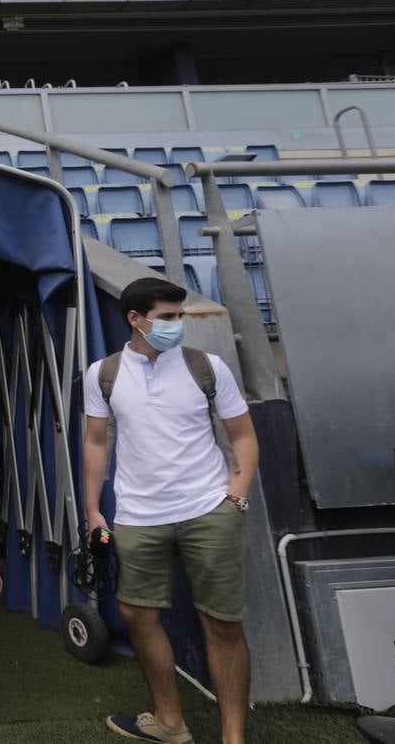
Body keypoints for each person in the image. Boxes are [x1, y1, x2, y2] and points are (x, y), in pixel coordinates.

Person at [83, 277, 258, 744]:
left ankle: (233, 738)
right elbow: (96, 440)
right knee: (137, 617)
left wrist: (235, 498)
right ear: (135, 320)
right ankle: (169, 723)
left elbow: (243, 434)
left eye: (179, 316)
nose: (177, 325)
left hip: (209, 511)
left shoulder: (208, 366)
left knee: (223, 623)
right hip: (138, 517)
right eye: (167, 317)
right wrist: (92, 509)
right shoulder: (103, 373)